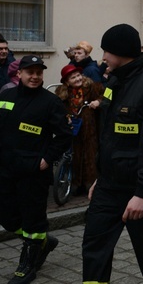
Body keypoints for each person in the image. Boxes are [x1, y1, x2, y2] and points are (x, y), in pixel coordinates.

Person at [82, 24, 143, 284]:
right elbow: (111, 136)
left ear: (121, 51)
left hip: (140, 189)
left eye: (106, 51)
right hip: (109, 186)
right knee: (95, 247)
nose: (103, 57)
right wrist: (101, 177)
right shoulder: (115, 81)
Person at [0, 55, 72, 284]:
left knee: (33, 220)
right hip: (6, 168)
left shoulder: (51, 103)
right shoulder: (5, 97)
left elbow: (64, 136)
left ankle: (27, 266)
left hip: (33, 172)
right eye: (30, 72)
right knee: (7, 219)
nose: (35, 76)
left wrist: (46, 159)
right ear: (19, 74)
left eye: (39, 72)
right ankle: (42, 241)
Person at [55, 65, 103, 196]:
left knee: (91, 154)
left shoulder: (92, 87)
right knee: (75, 155)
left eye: (78, 75)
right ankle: (75, 183)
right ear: (66, 81)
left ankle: (91, 183)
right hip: (73, 128)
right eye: (73, 77)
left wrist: (98, 102)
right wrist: (66, 117)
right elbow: (58, 108)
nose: (77, 79)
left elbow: (105, 96)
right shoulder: (62, 93)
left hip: (90, 128)